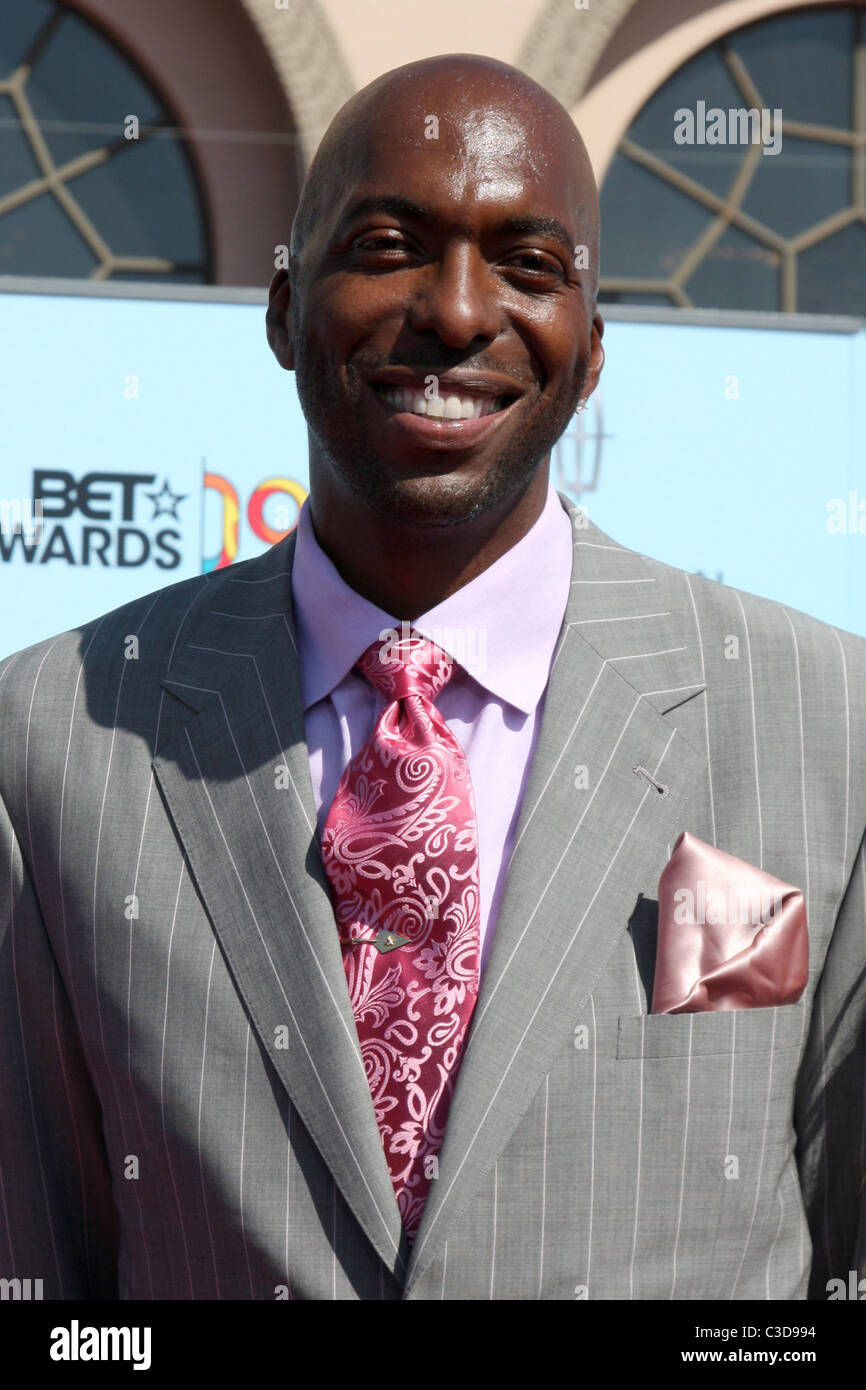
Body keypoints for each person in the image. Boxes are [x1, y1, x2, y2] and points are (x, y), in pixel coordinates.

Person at [1, 52, 864, 1302]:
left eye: (527, 266)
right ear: (283, 307)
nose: (458, 313)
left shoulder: (822, 728)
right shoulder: (56, 739)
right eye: (391, 244)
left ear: (593, 346)